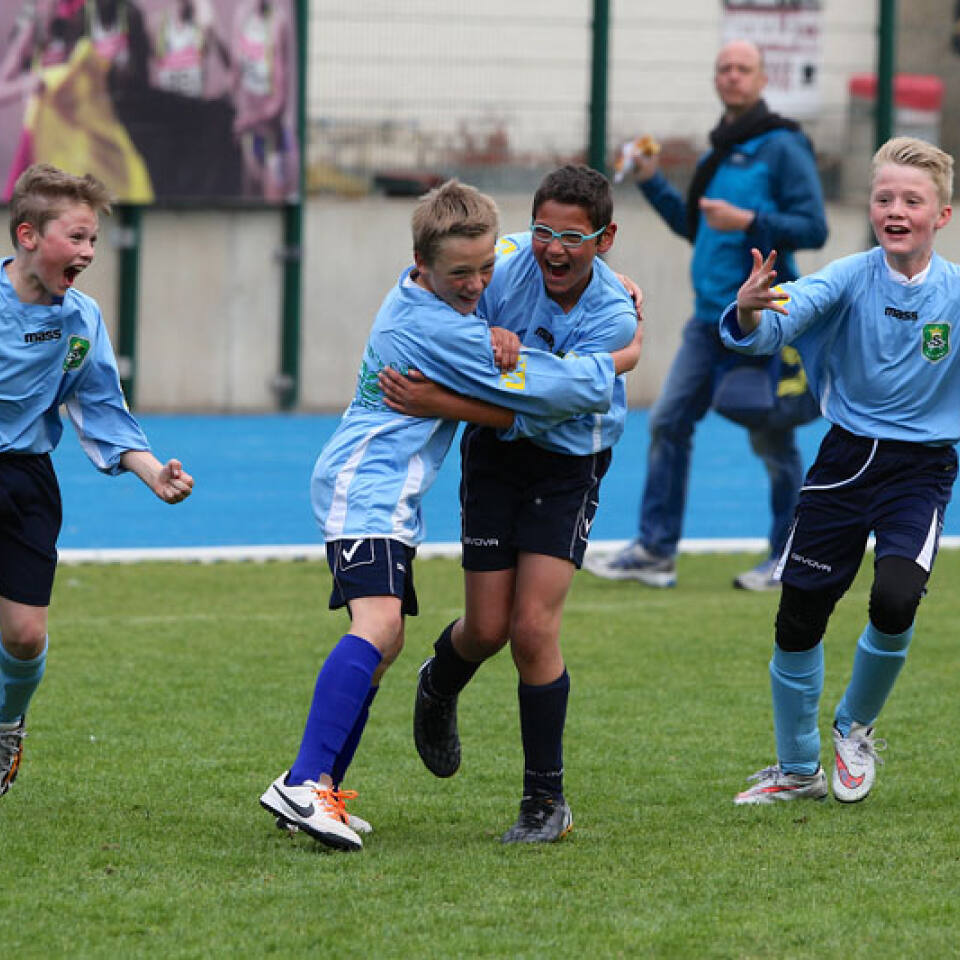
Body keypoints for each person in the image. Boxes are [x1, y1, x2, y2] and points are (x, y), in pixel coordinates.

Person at [257, 179, 642, 852]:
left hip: (420, 486)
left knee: (424, 639)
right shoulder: (440, 328)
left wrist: (611, 320)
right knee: (382, 628)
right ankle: (305, 781)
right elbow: (552, 389)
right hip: (367, 487)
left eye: (485, 269)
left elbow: (518, 280)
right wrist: (619, 362)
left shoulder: (469, 281)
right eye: (462, 273)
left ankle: (328, 787)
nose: (478, 285)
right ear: (422, 264)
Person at [378, 165, 639, 844]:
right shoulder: (505, 259)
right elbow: (442, 285)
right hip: (496, 456)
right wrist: (478, 332)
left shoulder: (613, 314)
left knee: (531, 629)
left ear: (605, 238)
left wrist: (441, 400)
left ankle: (545, 802)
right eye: (545, 231)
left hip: (569, 463)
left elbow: (556, 400)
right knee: (487, 629)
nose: (555, 248)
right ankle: (440, 683)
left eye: (574, 237)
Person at [727, 137, 958, 804]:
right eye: (884, 198)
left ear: (941, 216)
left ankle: (854, 728)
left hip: (921, 471)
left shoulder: (954, 293)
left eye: (912, 200)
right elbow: (776, 323)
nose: (896, 210)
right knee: (800, 615)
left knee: (896, 599)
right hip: (845, 463)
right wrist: (751, 307)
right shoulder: (848, 277)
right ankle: (798, 770)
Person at [586, 39, 828, 591]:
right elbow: (697, 227)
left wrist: (749, 220)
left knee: (772, 442)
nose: (732, 76)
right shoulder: (718, 148)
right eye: (724, 68)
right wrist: (650, 180)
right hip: (706, 322)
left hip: (761, 318)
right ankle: (655, 552)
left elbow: (814, 228)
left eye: (743, 68)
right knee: (668, 421)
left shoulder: (783, 145)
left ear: (762, 80)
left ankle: (789, 556)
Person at [0, 163, 194, 797]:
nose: (87, 252)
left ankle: (7, 723)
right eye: (76, 237)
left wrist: (152, 472)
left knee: (25, 636)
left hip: (27, 481)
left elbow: (103, 409)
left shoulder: (81, 320)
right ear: (28, 236)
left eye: (93, 240)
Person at [231, 0, 294, 201]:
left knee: (273, 197)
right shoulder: (242, 16)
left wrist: (251, 119)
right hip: (247, 133)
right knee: (247, 196)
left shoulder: (278, 21)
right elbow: (234, 75)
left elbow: (280, 99)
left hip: (270, 134)